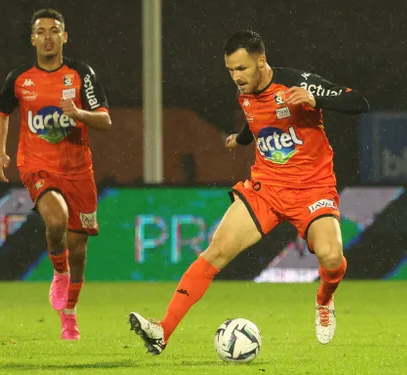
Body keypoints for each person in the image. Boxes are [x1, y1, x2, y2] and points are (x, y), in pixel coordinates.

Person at [128, 30, 369, 353]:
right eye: (230, 70)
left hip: (312, 190)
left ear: (261, 62)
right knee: (216, 251)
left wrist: (316, 99)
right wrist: (240, 139)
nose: (236, 77)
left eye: (242, 69)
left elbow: (359, 102)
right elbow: (256, 122)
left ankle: (324, 300)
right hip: (265, 188)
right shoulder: (245, 94)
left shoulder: (299, 84)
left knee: (331, 256)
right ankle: (162, 331)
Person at [0, 8, 111, 340]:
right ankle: (59, 272)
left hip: (79, 171)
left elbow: (105, 121)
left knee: (79, 249)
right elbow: (0, 111)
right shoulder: (20, 78)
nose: (47, 36)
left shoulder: (81, 74)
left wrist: (80, 113)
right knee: (55, 219)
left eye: (54, 30)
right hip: (37, 166)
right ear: (33, 39)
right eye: (41, 31)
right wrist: (1, 152)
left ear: (64, 36)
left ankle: (69, 316)